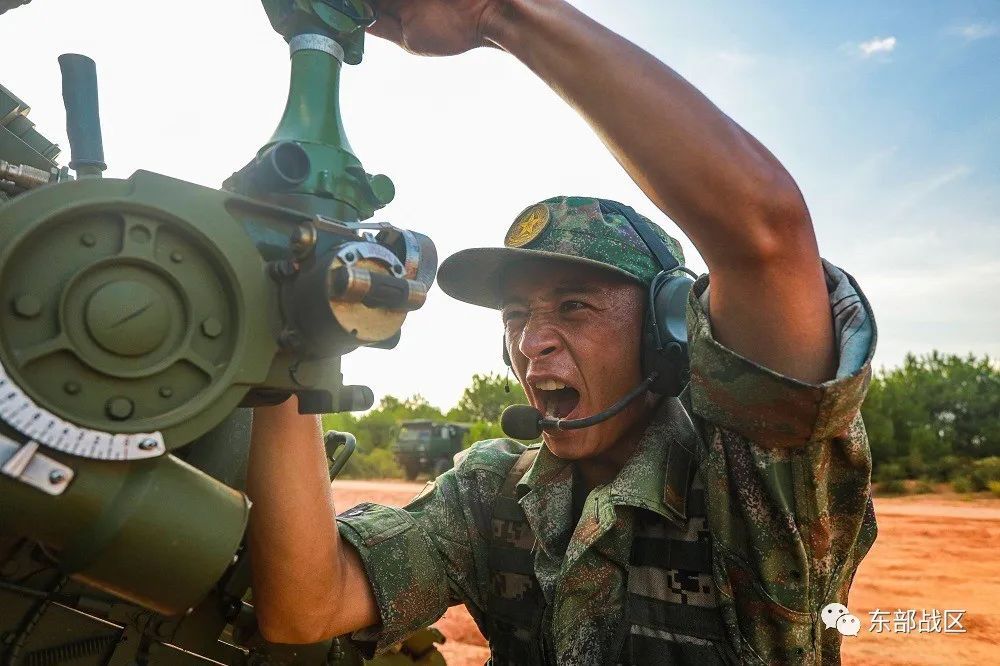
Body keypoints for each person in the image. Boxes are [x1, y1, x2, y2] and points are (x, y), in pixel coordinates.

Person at [246, 1, 878, 664]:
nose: (531, 343)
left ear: (666, 331)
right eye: (516, 315)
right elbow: (307, 606)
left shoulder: (749, 485)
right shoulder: (493, 492)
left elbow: (765, 235)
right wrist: (293, 340)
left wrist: (496, 13)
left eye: (574, 306)